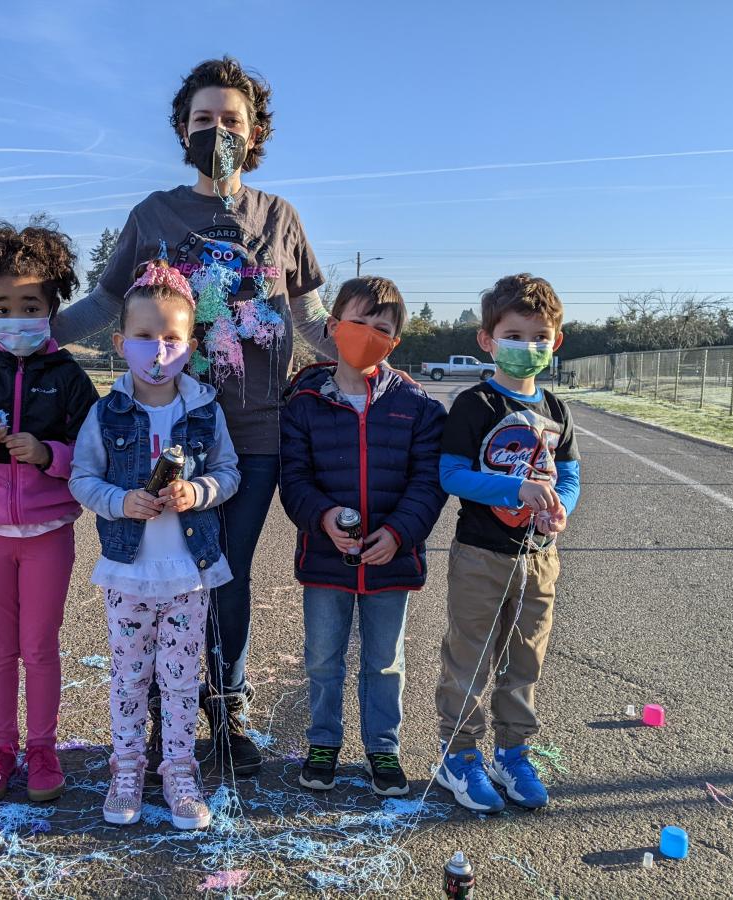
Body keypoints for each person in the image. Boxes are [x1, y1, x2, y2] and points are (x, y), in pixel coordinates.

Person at [53, 56, 335, 777]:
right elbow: (104, 303)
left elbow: (309, 317)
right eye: (203, 119)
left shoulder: (280, 218)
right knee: (159, 571)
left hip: (256, 431)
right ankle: (154, 711)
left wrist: (368, 348)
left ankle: (224, 706)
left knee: (226, 574)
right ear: (182, 130)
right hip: (163, 428)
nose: (218, 131)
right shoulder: (154, 214)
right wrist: (24, 331)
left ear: (256, 131)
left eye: (231, 120)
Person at [70, 259, 240, 829]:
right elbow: (82, 479)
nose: (158, 350)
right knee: (129, 674)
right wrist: (122, 502)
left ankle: (179, 768)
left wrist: (199, 491)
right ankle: (126, 768)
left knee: (181, 676)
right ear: (121, 343)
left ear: (191, 345)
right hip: (128, 570)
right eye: (145, 337)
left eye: (171, 338)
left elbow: (229, 472)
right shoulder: (107, 411)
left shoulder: (205, 409)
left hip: (189, 570)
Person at [0, 222, 99, 803]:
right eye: (1, 306)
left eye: (29, 305)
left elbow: (91, 455)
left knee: (40, 648)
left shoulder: (71, 378)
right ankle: (1, 747)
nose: (15, 317)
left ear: (52, 307)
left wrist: (47, 454)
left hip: (49, 534)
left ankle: (43, 749)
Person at [279, 276, 447, 797]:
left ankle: (383, 748)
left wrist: (399, 533)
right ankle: (324, 742)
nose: (367, 335)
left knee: (384, 660)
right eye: (357, 323)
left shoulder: (418, 407)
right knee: (323, 658)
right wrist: (323, 517)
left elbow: (427, 483)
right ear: (333, 326)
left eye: (382, 328)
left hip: (391, 560)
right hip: (326, 556)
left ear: (395, 341)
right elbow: (295, 478)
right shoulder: (305, 400)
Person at [434, 273, 580, 813]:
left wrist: (561, 506)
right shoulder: (474, 404)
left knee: (526, 659)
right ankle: (459, 755)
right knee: (469, 657)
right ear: (487, 339)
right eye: (514, 335)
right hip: (480, 554)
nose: (528, 347)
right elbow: (451, 474)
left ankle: (511, 751)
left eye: (539, 336)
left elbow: (568, 474)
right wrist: (512, 487)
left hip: (540, 558)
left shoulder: (558, 409)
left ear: (556, 342)